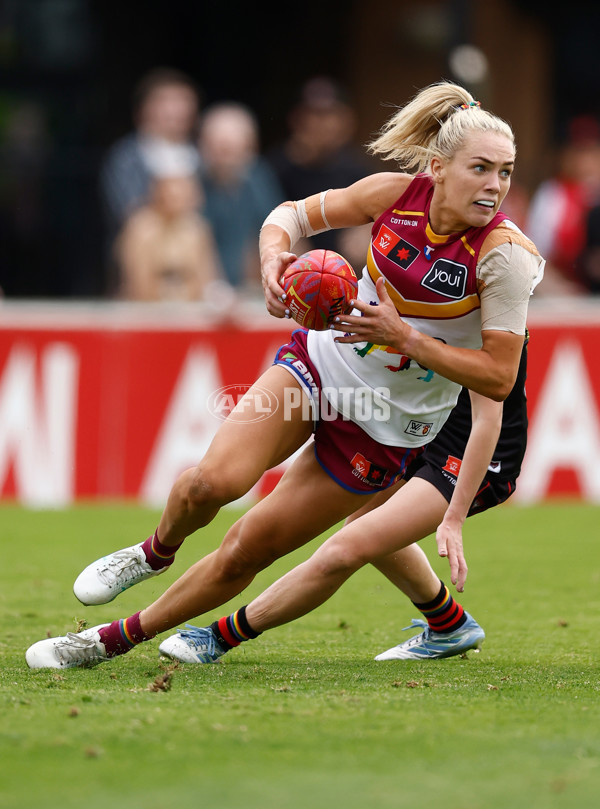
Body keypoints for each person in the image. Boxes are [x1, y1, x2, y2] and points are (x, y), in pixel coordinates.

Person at [25, 81, 544, 670]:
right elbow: (290, 216)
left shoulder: (505, 256)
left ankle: (104, 642)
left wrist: (406, 339)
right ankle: (152, 552)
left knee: (247, 549)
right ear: (438, 167)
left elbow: (499, 380)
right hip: (319, 365)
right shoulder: (393, 195)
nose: (495, 186)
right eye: (481, 168)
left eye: (505, 172)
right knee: (209, 485)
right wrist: (274, 256)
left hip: (386, 428)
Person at [156, 337, 529, 663]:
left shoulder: (492, 285)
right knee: (364, 525)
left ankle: (220, 636)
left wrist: (455, 516)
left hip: (472, 452)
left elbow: (489, 415)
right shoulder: (437, 269)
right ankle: (449, 624)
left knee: (346, 548)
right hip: (419, 425)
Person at [99, 67, 202, 292]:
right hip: (144, 274)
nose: (175, 111)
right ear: (143, 110)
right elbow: (128, 213)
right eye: (166, 102)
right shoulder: (125, 159)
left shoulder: (202, 156)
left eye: (183, 102)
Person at [267, 76, 373, 271]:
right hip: (291, 270)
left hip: (341, 272)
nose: (323, 124)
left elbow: (376, 210)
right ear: (296, 119)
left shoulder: (355, 167)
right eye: (315, 115)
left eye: (330, 115)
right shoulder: (275, 169)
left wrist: (365, 231)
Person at [198, 102, 285, 292]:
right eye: (218, 148)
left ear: (249, 148)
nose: (224, 158)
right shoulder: (192, 183)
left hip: (252, 290)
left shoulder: (259, 178)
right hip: (201, 291)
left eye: (230, 150)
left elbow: (279, 229)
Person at [114, 164, 223, 302]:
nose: (178, 194)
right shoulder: (140, 229)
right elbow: (139, 285)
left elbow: (207, 280)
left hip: (189, 311)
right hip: (146, 312)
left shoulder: (197, 229)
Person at [525, 115, 600, 296]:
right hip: (564, 295)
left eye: (592, 152)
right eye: (580, 152)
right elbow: (533, 256)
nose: (586, 160)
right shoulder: (552, 194)